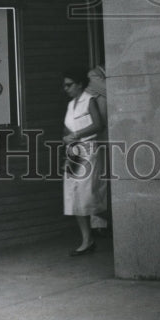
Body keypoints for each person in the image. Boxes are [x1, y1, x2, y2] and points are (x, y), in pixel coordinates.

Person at [62, 68, 106, 256]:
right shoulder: (70, 105)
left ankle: (105, 226)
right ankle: (86, 240)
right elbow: (67, 130)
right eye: (64, 85)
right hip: (73, 153)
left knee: (89, 194)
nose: (66, 88)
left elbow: (98, 125)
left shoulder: (90, 100)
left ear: (80, 84)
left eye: (69, 84)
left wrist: (77, 135)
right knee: (74, 197)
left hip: (88, 151)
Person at [85, 65, 110, 236]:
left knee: (104, 178)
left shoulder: (103, 76)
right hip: (99, 137)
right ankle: (99, 223)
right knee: (100, 179)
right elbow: (115, 91)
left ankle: (102, 220)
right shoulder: (94, 75)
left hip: (110, 136)